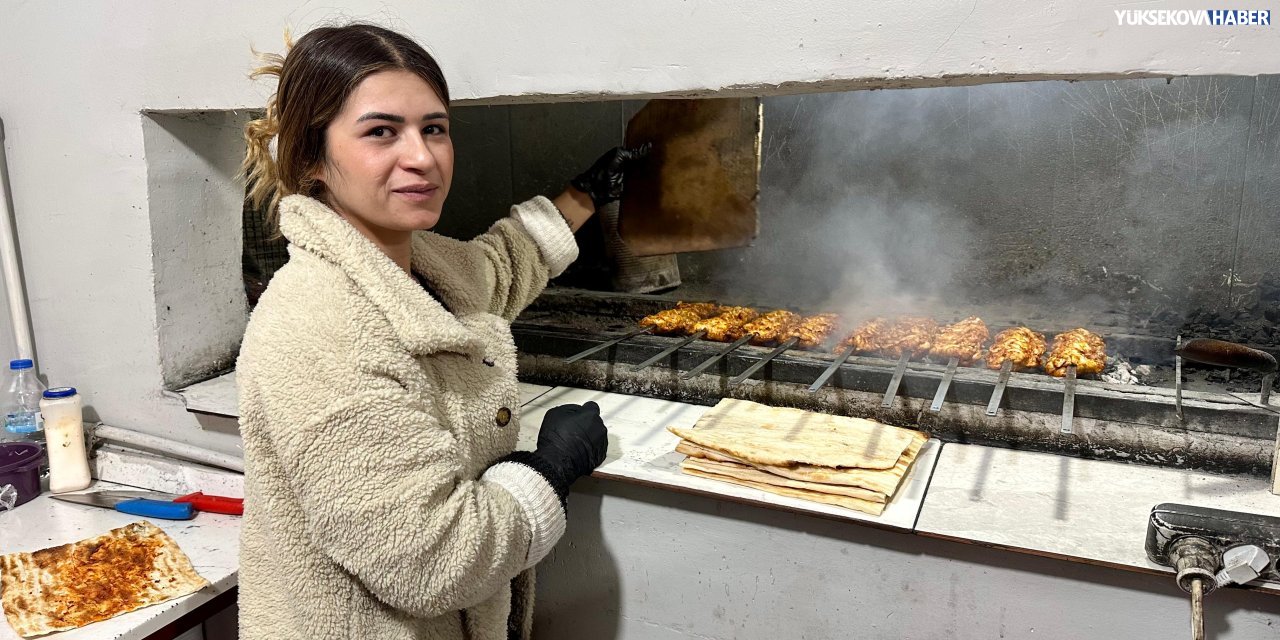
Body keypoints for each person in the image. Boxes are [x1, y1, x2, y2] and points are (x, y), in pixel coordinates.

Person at [235, 23, 648, 639]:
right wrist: (551, 469)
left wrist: (585, 195)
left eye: (434, 128)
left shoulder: (416, 266)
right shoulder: (317, 329)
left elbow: (497, 271)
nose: (422, 157)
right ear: (312, 159)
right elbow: (431, 559)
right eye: (381, 132)